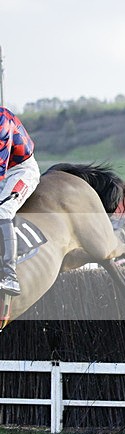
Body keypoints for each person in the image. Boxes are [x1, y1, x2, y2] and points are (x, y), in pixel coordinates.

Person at [0, 107, 40, 295]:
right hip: (5, 172)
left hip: (19, 171)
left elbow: (0, 168)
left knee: (3, 211)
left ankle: (11, 276)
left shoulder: (2, 121)